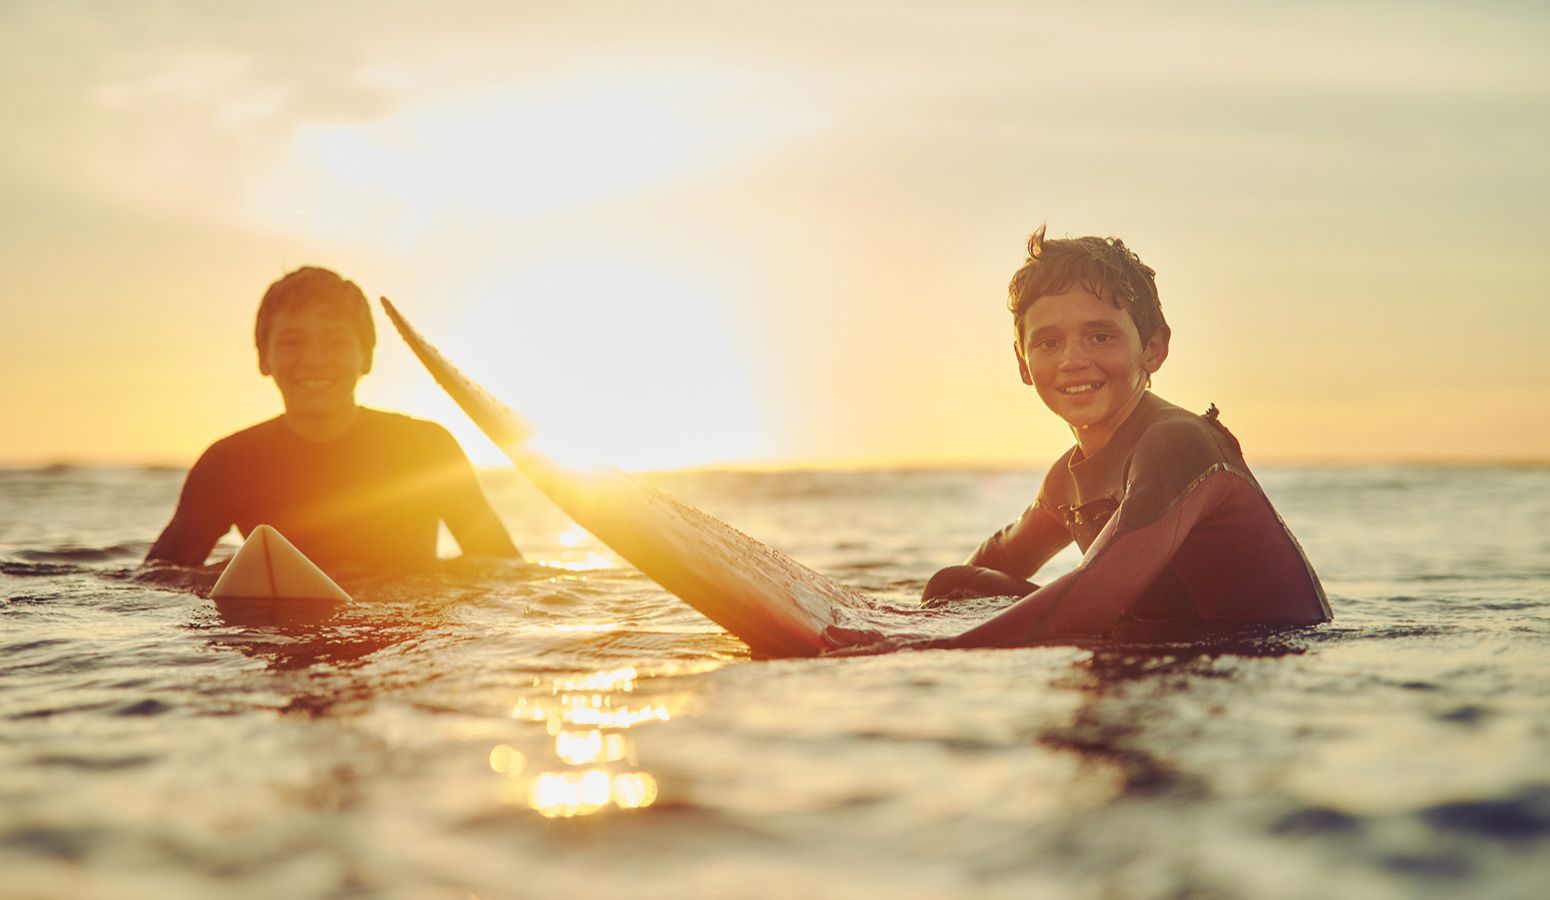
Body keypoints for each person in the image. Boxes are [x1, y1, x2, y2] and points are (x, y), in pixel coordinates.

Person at [835, 226, 1329, 651]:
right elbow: (980, 575)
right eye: (1049, 343)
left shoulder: (1179, 442)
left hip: (1258, 662)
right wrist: (889, 620)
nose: (1073, 360)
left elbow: (1095, 594)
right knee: (954, 586)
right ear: (1023, 364)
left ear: (1153, 348)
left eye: (1100, 336)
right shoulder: (1065, 482)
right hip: (1166, 650)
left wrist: (927, 649)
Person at [146, 266, 520, 572]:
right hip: (282, 644)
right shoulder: (228, 463)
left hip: (401, 649)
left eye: (335, 341)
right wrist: (221, 574)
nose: (313, 359)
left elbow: (506, 569)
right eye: (292, 341)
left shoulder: (425, 447)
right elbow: (158, 578)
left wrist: (434, 582)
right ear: (263, 357)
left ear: (366, 358)